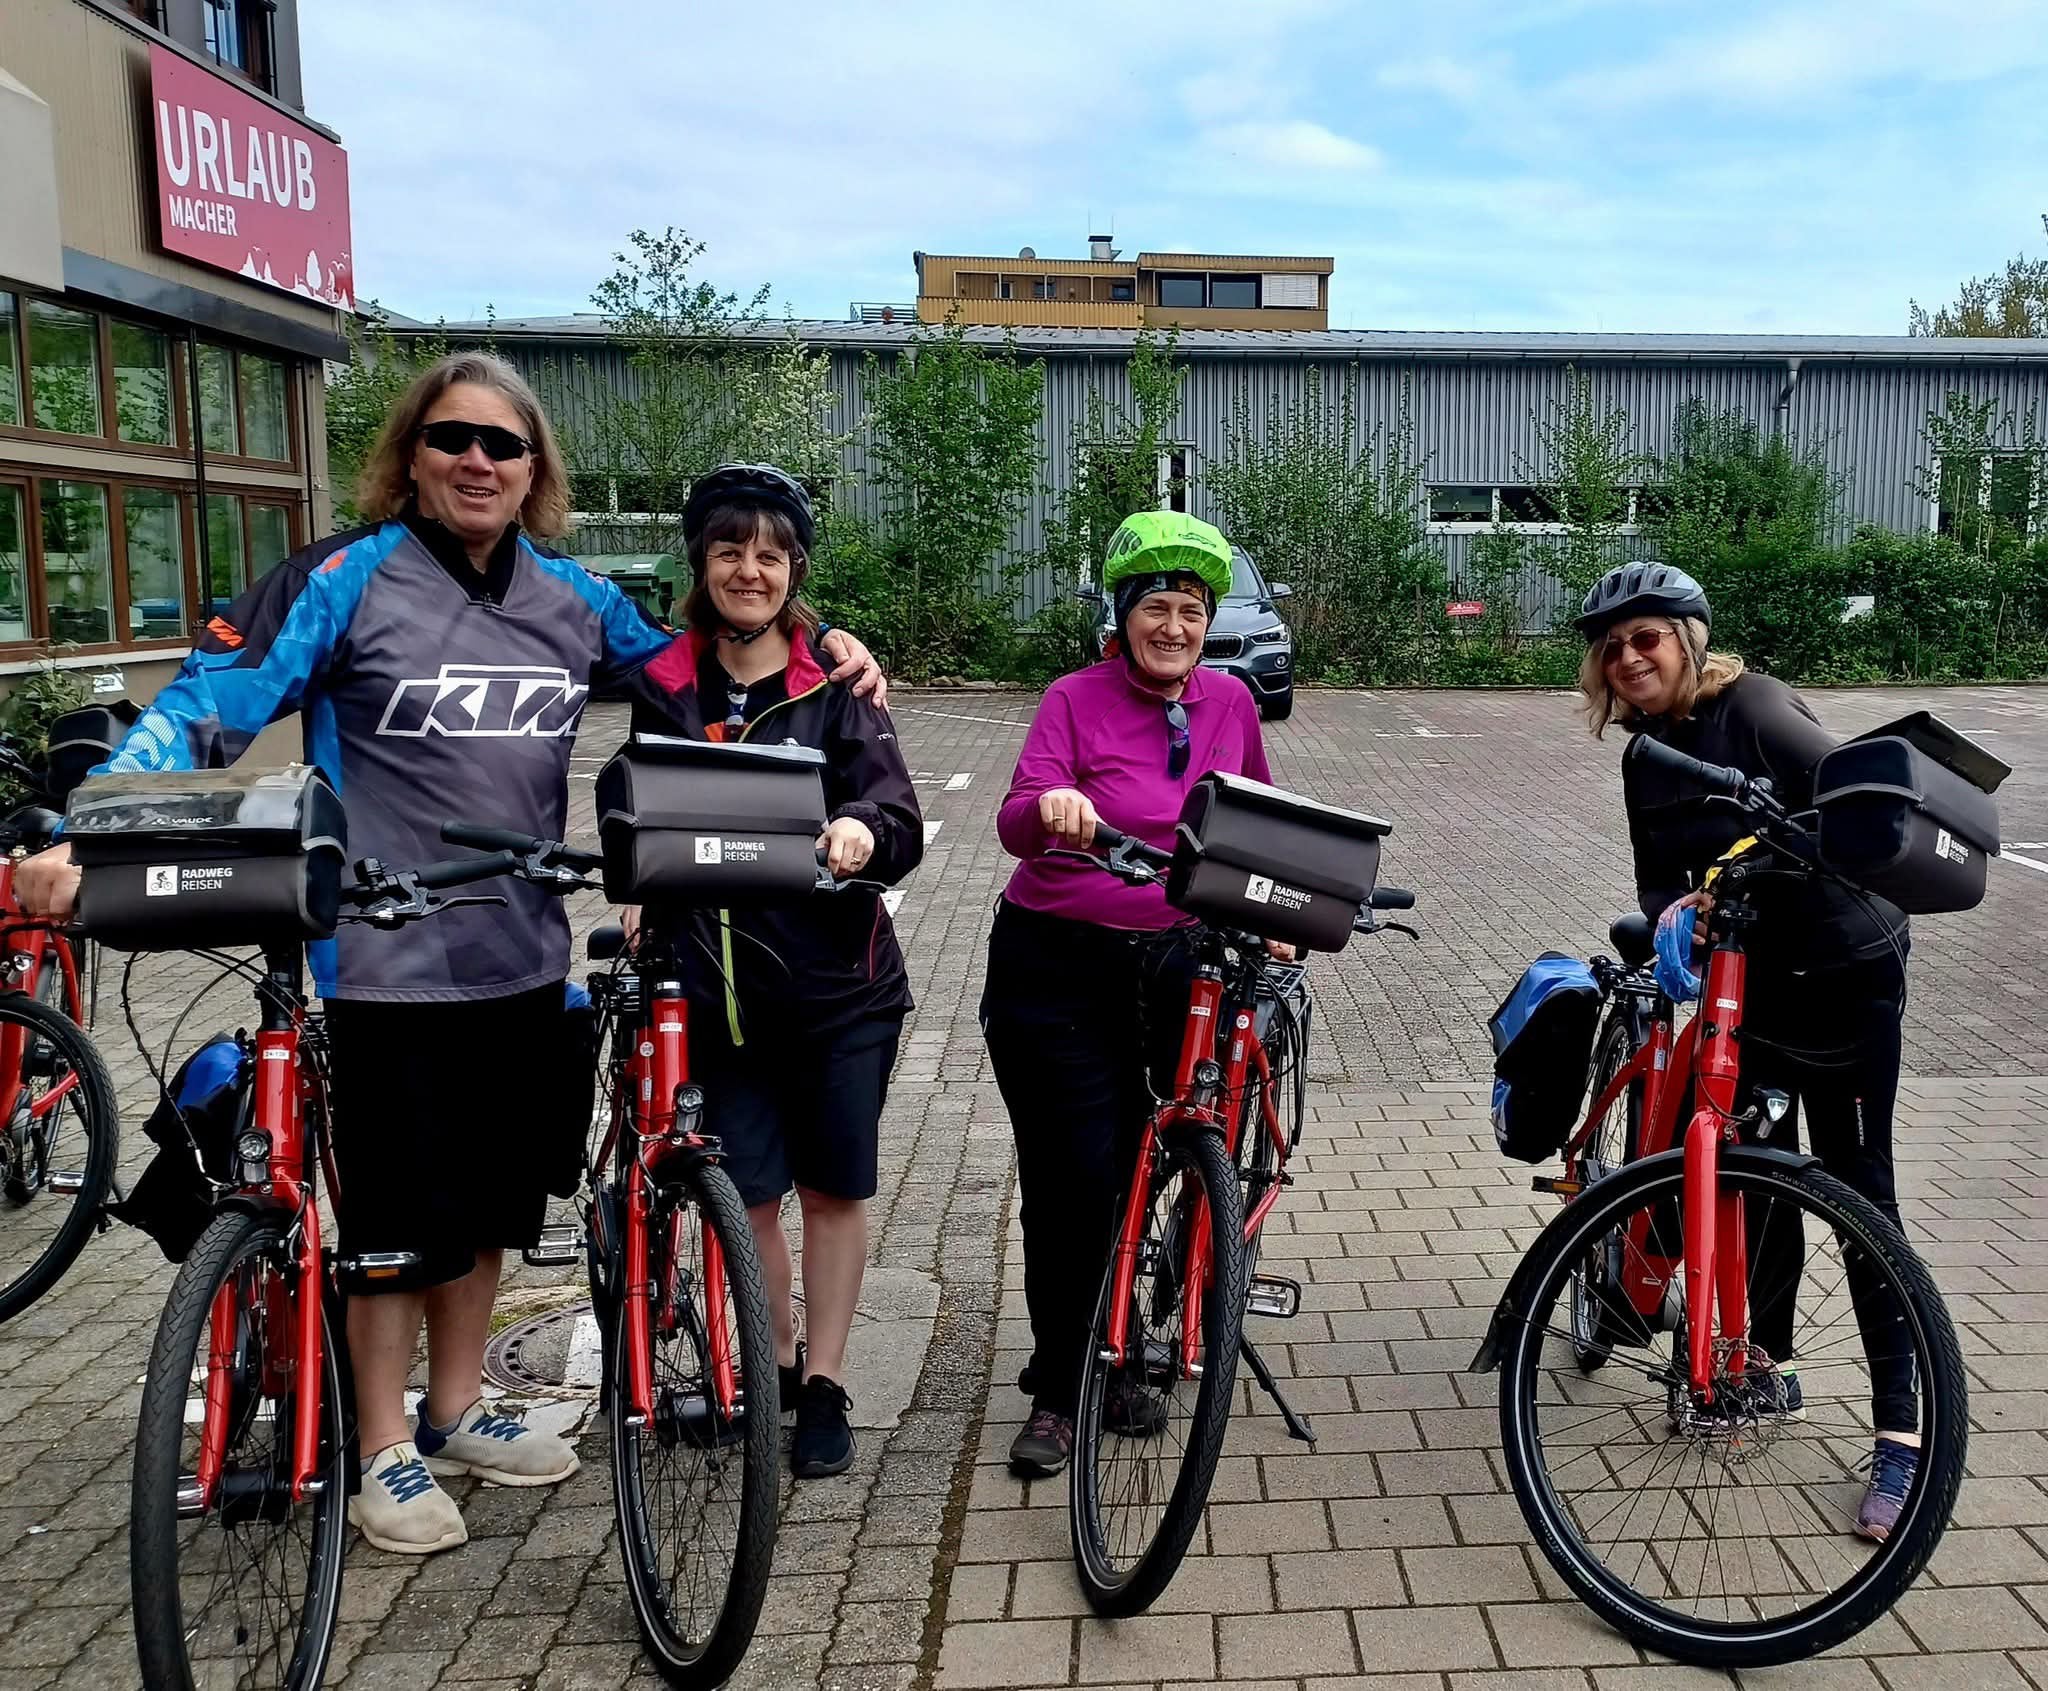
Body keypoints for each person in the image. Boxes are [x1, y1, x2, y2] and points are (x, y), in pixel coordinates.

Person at [15, 354, 884, 1555]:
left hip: (523, 955)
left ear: (535, 470)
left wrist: (828, 641)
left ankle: (459, 1404)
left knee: (485, 1208)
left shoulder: (571, 598)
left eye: (503, 445)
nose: (478, 462)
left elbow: (708, 649)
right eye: (452, 439)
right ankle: (380, 1447)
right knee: (392, 1221)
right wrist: (87, 821)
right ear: (410, 455)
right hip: (382, 960)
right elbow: (210, 700)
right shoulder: (344, 578)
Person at [1576, 559, 1918, 1542]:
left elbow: (1852, 806)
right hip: (1749, 988)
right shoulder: (1646, 757)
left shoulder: (1754, 707)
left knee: (1860, 1197)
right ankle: (1761, 1362)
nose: (1627, 655)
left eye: (1646, 636)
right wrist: (1678, 908)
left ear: (1689, 637)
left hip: (1845, 975)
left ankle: (1901, 1433)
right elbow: (1653, 883)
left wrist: (1745, 865)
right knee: (1750, 1181)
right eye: (1610, 646)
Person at [622, 463, 922, 1478]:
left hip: (836, 990)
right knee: (746, 1197)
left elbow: (901, 819)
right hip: (708, 994)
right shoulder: (660, 681)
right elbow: (642, 812)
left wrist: (855, 829)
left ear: (794, 571)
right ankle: (778, 1356)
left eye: (771, 553)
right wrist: (635, 891)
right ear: (698, 563)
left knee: (831, 1191)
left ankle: (827, 1381)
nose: (749, 569)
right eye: (728, 549)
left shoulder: (835, 682)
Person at [982, 510, 1279, 1478]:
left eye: (1190, 608)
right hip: (1056, 961)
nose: (1174, 625)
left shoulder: (1229, 704)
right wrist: (1053, 808)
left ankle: (1137, 1319)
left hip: (1178, 961)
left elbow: (1258, 826)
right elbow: (1015, 816)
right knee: (1075, 1178)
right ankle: (1064, 1386)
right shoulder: (1072, 697)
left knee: (1166, 1154)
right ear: (1120, 614)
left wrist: (1280, 902)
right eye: (1156, 605)